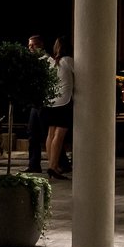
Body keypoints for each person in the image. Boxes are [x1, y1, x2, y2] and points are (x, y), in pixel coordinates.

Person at [44, 36, 74, 179]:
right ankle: (53, 166)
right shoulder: (68, 61)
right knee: (59, 134)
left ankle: (51, 164)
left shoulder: (51, 62)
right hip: (64, 102)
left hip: (51, 102)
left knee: (51, 134)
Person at [25, 35, 52, 172]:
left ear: (41, 45)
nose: (30, 48)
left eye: (33, 45)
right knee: (32, 133)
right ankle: (34, 165)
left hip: (45, 102)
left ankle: (60, 162)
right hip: (35, 102)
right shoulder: (32, 61)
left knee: (47, 134)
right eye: (29, 45)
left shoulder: (47, 60)